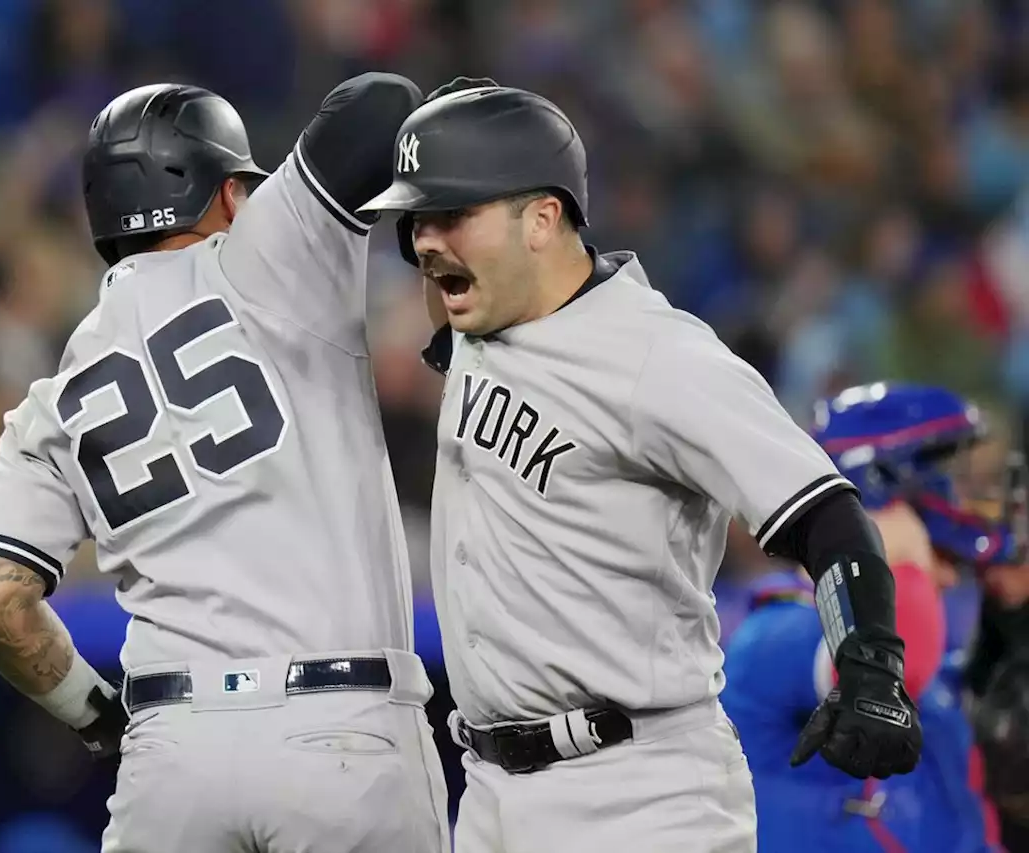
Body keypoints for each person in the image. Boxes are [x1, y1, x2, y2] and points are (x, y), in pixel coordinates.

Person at [358, 77, 921, 851]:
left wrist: (871, 665)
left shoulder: (659, 356)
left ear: (543, 219)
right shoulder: (475, 320)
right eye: (418, 219)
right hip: (488, 793)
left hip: (640, 792)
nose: (425, 240)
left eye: (453, 213)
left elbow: (824, 513)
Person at [0, 78, 451, 852]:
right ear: (226, 194)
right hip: (338, 729)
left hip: (169, 754)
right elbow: (380, 101)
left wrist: (97, 714)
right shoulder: (271, 252)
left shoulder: (54, 397)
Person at [724, 381, 1003, 852]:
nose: (950, 580)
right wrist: (902, 562)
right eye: (940, 558)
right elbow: (887, 671)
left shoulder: (936, 674)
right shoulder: (773, 635)